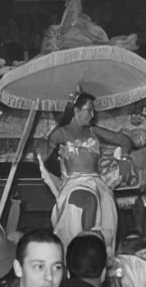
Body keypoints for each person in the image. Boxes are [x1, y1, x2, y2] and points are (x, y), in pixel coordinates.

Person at [41, 90, 134, 255]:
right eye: (89, 110)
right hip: (74, 182)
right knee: (88, 201)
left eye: (93, 111)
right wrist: (45, 153)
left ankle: (100, 252)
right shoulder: (59, 134)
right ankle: (82, 245)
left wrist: (125, 158)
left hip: (97, 182)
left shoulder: (94, 132)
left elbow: (124, 140)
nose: (92, 115)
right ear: (76, 111)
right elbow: (46, 161)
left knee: (108, 210)